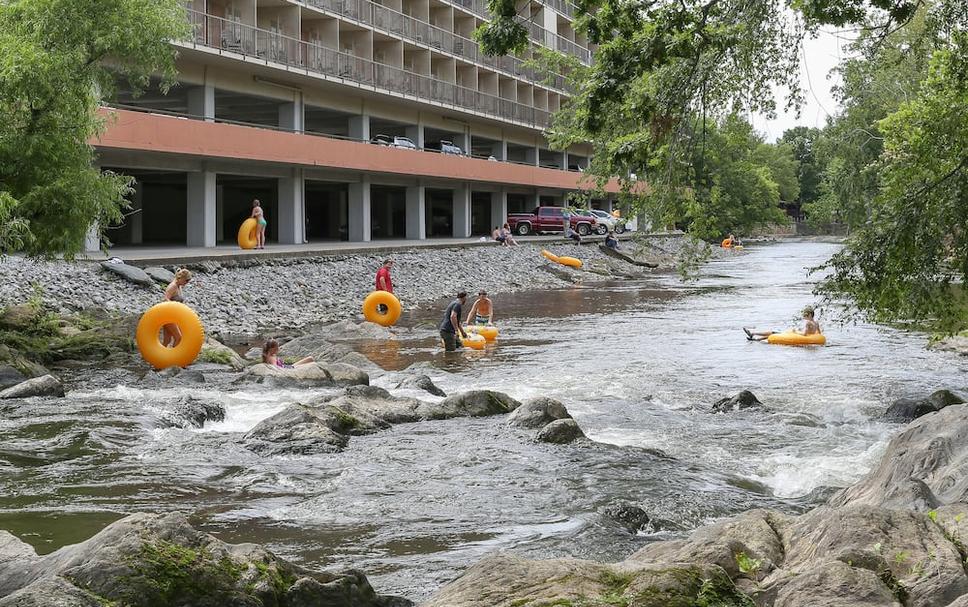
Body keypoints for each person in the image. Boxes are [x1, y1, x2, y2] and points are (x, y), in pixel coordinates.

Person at [744, 306, 822, 341]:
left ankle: (753, 333)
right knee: (774, 334)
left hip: (798, 336)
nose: (804, 316)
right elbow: (819, 333)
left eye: (805, 314)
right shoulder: (816, 323)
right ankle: (756, 339)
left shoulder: (808, 322)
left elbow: (804, 334)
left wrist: (796, 332)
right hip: (808, 338)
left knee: (773, 332)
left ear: (810, 315)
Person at [162, 269, 192, 347]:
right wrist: (175, 307)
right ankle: (173, 357)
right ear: (181, 278)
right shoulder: (173, 286)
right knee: (179, 338)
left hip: (175, 316)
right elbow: (165, 299)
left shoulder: (179, 286)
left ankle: (160, 357)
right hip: (168, 315)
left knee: (167, 340)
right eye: (186, 280)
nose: (187, 283)